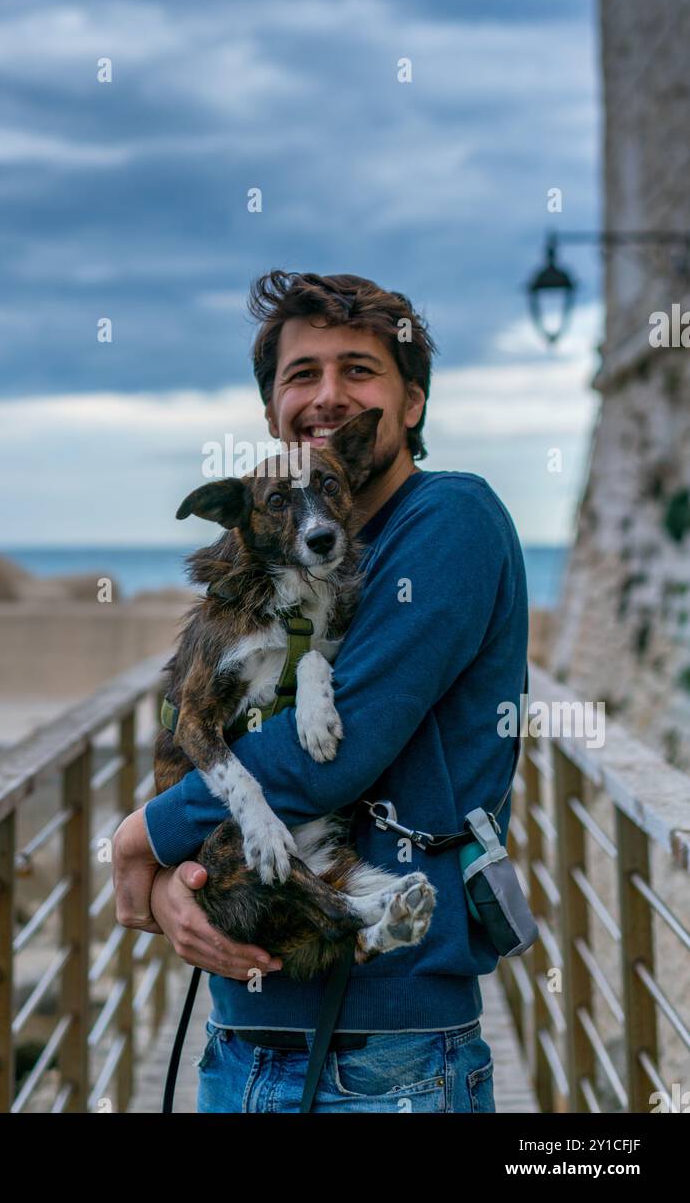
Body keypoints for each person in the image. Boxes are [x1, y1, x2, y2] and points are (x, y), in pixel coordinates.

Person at [112, 270, 529, 1113]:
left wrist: (141, 837)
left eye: (358, 370)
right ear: (271, 411)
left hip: (388, 1055)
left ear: (408, 403)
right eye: (302, 374)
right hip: (243, 1038)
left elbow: (335, 754)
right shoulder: (303, 557)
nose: (328, 395)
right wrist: (174, 880)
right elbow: (214, 716)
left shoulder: (447, 518)